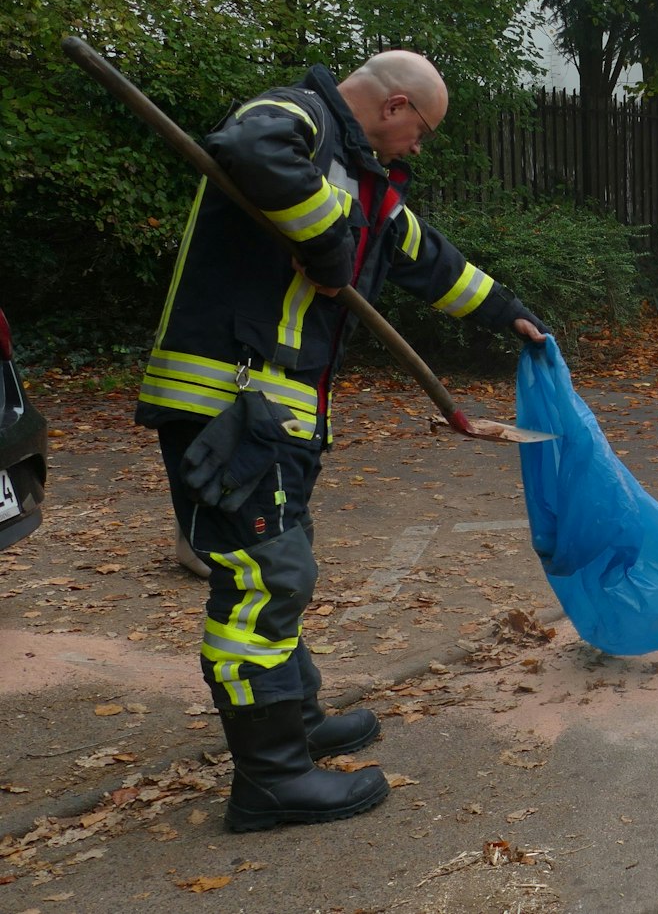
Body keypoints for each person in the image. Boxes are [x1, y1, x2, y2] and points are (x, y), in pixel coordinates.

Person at [138, 50, 547, 832]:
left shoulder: (365, 184)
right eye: (422, 129)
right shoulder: (299, 118)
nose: (419, 145)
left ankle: (294, 721)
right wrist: (328, 242)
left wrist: (510, 312)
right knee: (266, 577)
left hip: (278, 415)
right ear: (394, 105)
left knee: (286, 561)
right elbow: (250, 146)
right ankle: (270, 779)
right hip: (228, 406)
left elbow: (432, 262)